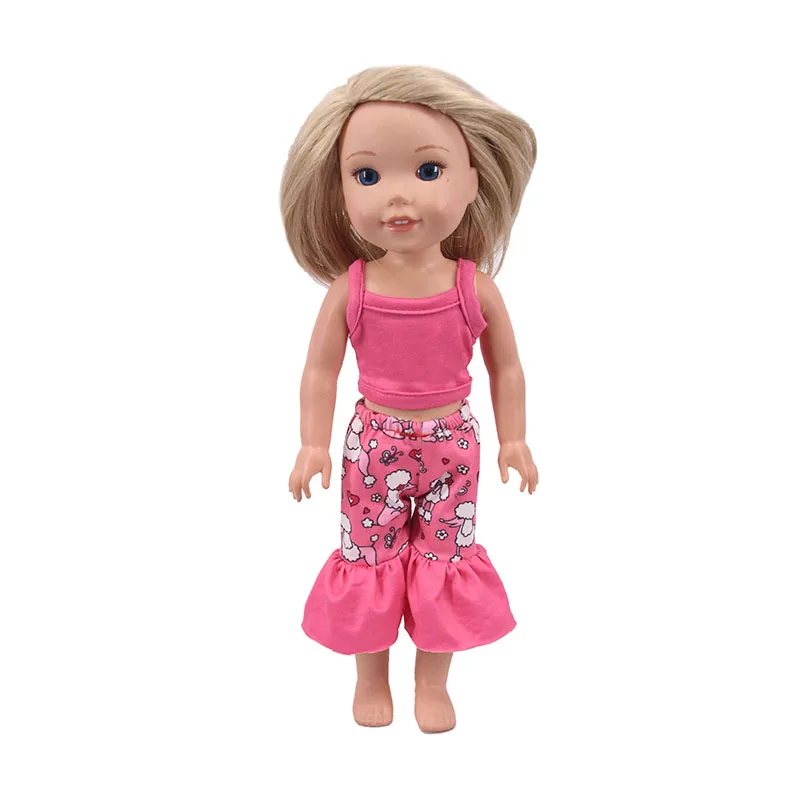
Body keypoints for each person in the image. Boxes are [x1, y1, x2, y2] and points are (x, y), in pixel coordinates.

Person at [281, 65, 539, 734]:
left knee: (446, 559)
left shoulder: (472, 287)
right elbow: (320, 371)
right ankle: (371, 678)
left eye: (428, 171)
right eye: (367, 175)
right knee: (366, 555)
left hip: (454, 443)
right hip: (375, 443)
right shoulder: (354, 287)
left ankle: (431, 682)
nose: (398, 196)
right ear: (339, 191)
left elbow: (507, 367)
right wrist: (312, 443)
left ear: (474, 181)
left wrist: (514, 438)